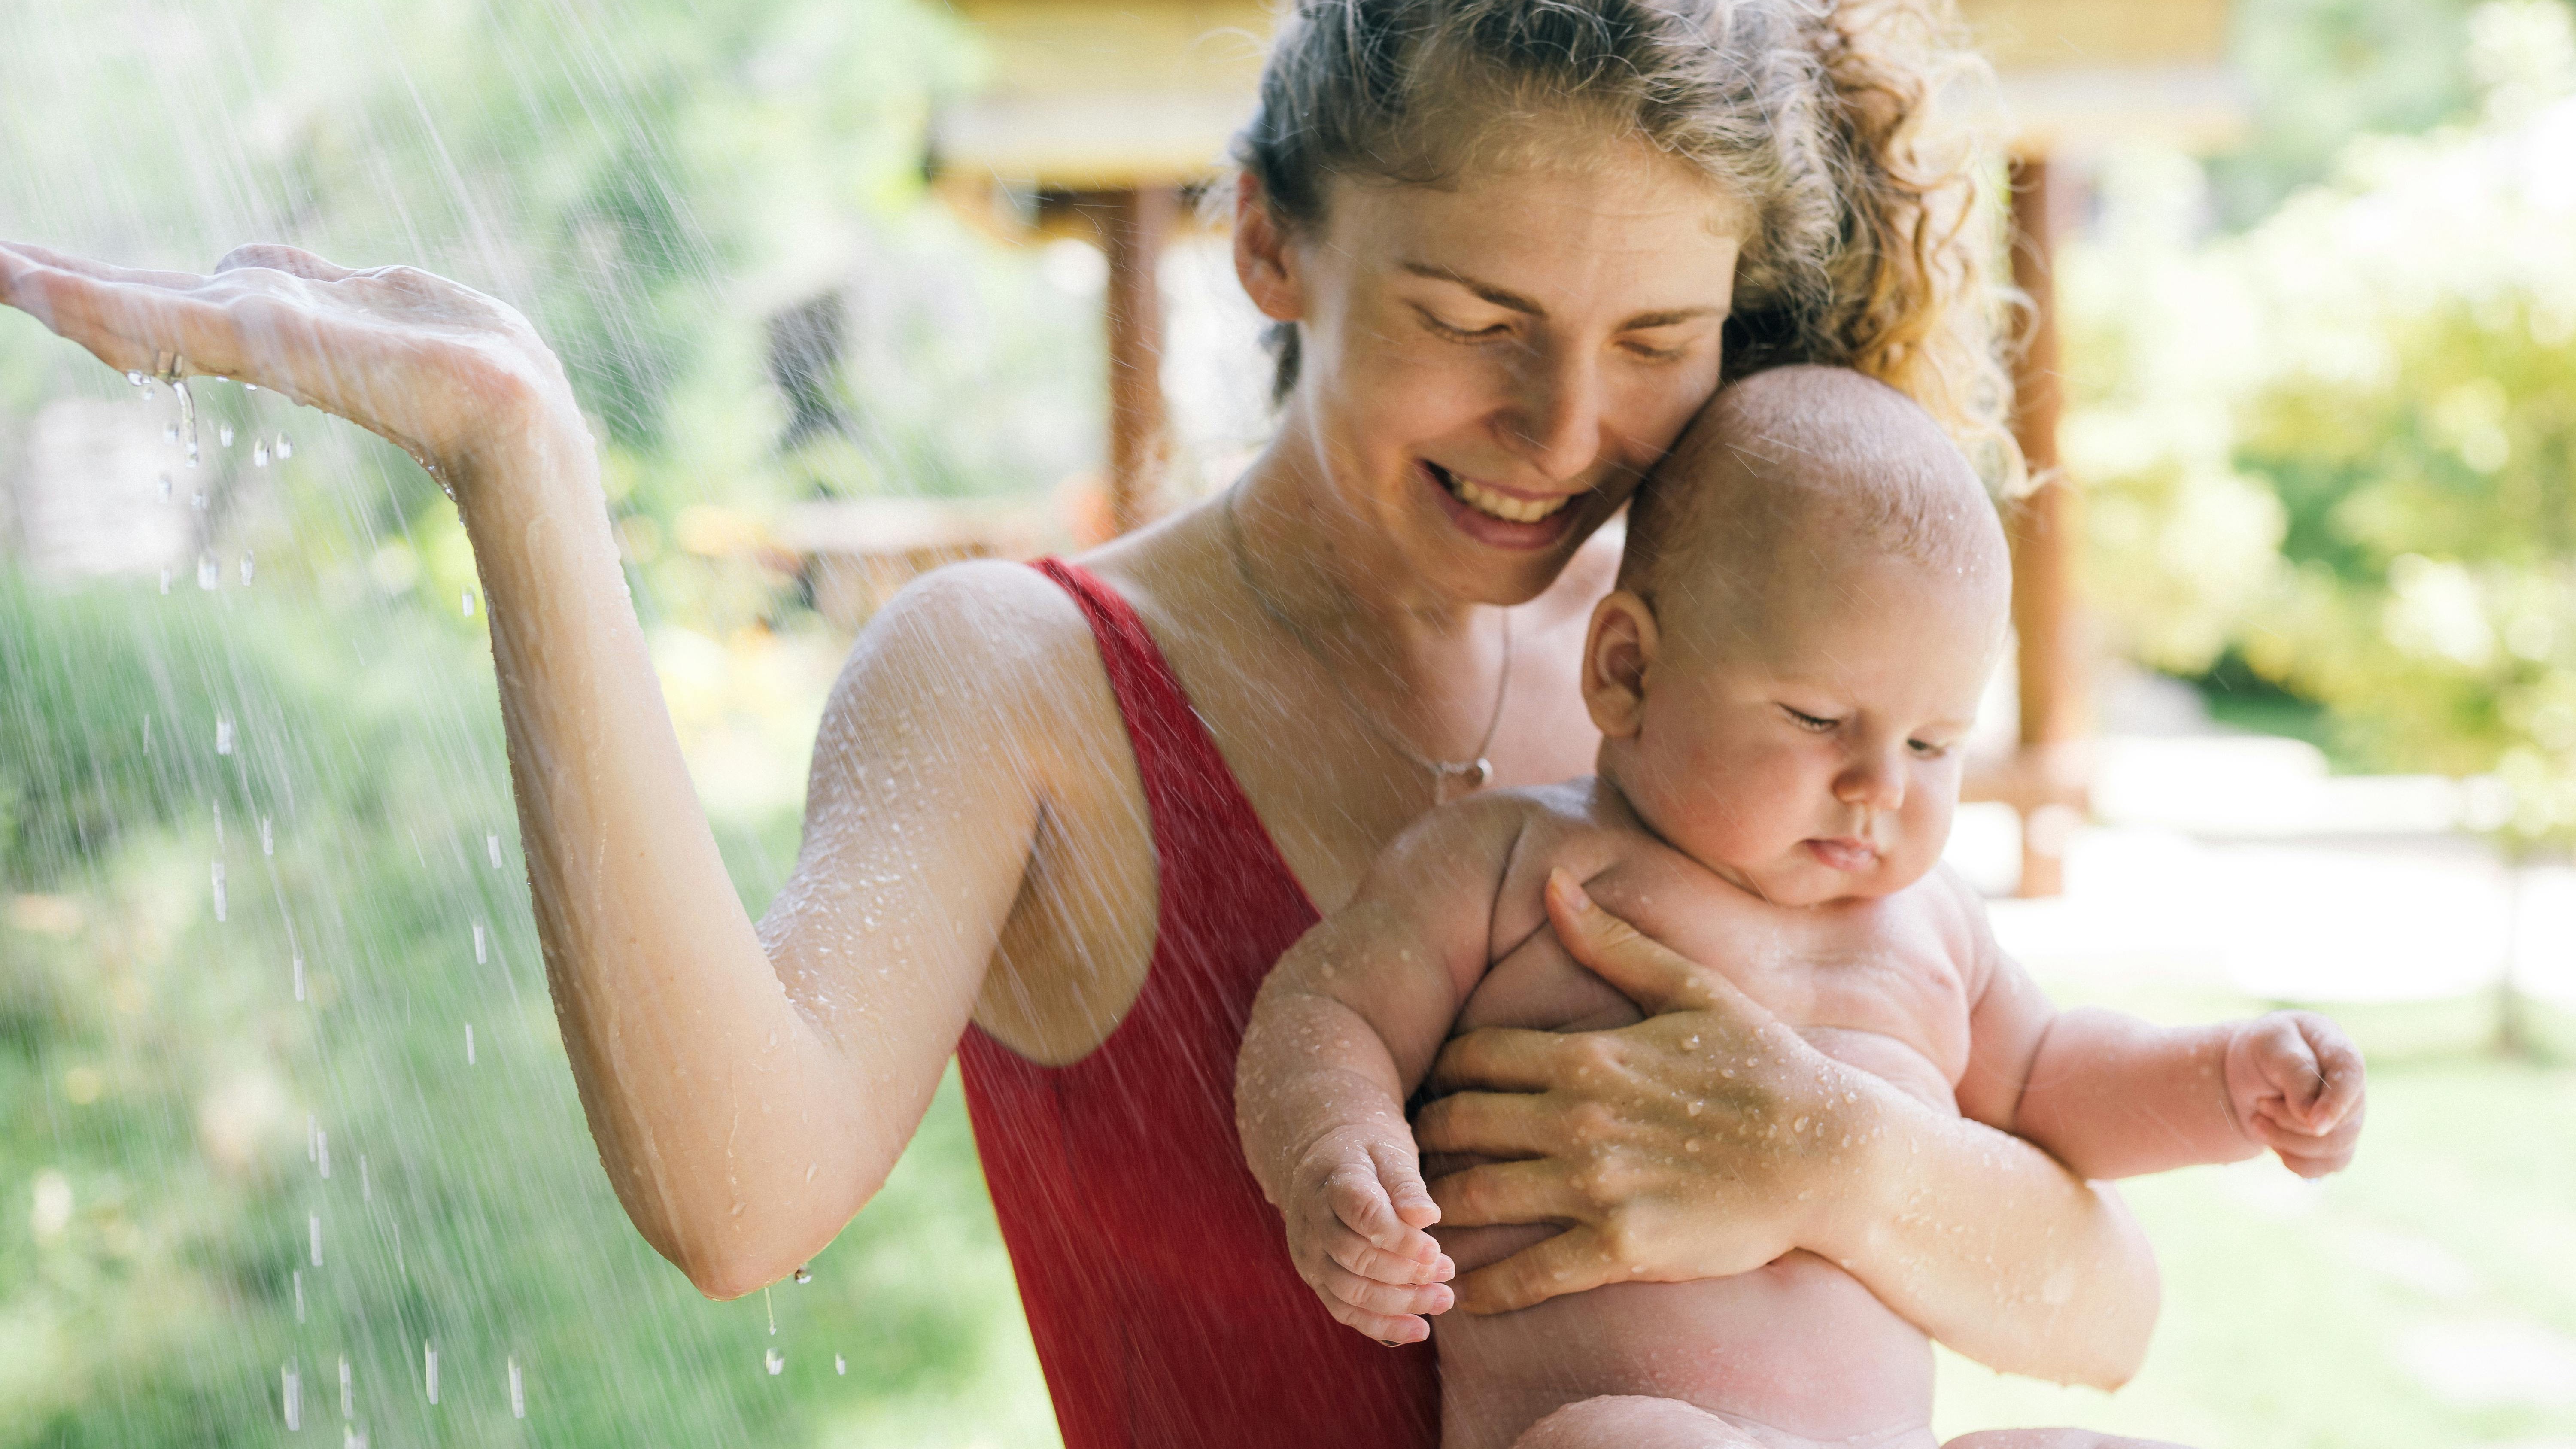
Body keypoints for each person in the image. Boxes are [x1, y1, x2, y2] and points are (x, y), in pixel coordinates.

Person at [0, 0, 2174, 1442]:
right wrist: (522, 464)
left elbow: (2102, 1303)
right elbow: (737, 1203)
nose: (1560, 427)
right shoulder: (1026, 686)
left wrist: (1834, 1157)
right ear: (1269, 248)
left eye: (1656, 338)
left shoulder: (1732, 685)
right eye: (1469, 316)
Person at [1238, 366, 2368, 1449]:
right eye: (1820, 719)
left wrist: (2227, 1082)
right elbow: (1324, 1012)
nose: (1880, 786)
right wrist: (1339, 1156)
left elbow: (2052, 1077)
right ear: (1628, 670)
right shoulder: (1508, 863)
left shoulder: (1931, 923)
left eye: (1933, 743)